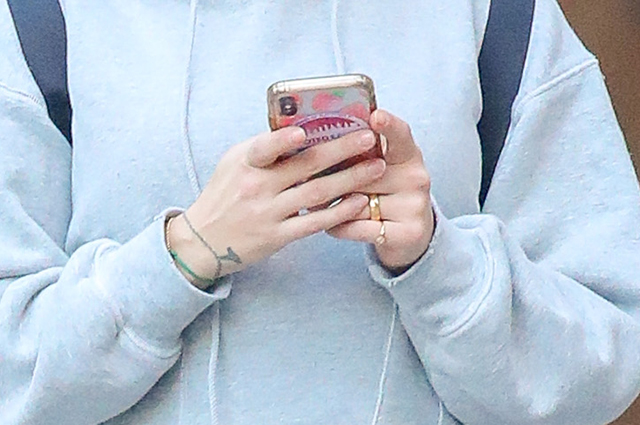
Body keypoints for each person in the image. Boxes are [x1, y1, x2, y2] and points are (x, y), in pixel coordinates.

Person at [1, 0, 640, 424]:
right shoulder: (40, 17)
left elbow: (605, 357)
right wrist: (187, 254)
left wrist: (438, 263)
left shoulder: (501, 13)